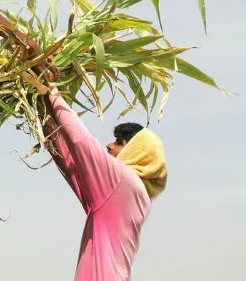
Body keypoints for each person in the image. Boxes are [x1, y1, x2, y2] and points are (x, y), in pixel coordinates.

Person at [38, 77, 168, 281]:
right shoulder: (131, 193)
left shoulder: (123, 181)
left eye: (118, 142)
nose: (109, 145)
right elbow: (69, 162)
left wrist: (51, 91)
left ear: (137, 151)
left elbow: (82, 142)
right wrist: (41, 107)